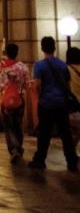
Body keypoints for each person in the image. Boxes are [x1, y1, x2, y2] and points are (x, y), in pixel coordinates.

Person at [29, 36, 78, 171]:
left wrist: (39, 98)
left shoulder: (39, 65)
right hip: (61, 103)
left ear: (42, 48)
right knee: (65, 133)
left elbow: (37, 85)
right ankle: (71, 161)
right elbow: (68, 86)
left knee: (44, 133)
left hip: (46, 103)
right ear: (54, 48)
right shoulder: (63, 65)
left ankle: (40, 160)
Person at [0, 43, 29, 162]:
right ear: (17, 53)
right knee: (18, 124)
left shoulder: (0, 66)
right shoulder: (22, 67)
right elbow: (27, 84)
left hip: (4, 100)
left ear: (6, 53)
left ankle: (14, 149)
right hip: (19, 100)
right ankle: (19, 147)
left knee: (8, 126)